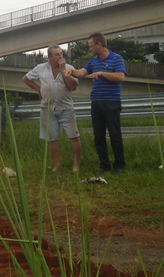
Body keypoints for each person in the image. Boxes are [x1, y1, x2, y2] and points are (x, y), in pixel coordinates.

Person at [64, 33, 127, 175]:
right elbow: (81, 73)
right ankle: (104, 165)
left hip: (111, 102)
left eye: (91, 46)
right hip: (96, 102)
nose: (89, 49)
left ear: (99, 44)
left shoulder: (117, 58)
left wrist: (102, 73)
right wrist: (71, 71)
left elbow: (121, 77)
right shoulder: (93, 61)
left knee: (114, 134)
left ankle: (119, 165)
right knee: (99, 136)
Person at [23, 44, 81, 172]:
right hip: (47, 107)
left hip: (65, 107)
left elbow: (73, 87)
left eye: (61, 53)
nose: (60, 56)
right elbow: (26, 78)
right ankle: (56, 166)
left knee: (73, 136)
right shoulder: (40, 68)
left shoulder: (69, 68)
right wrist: (38, 89)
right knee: (52, 138)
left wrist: (63, 70)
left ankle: (76, 165)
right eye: (57, 54)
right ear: (49, 57)